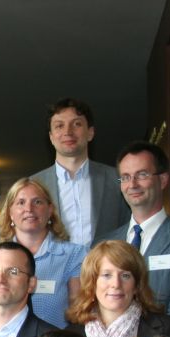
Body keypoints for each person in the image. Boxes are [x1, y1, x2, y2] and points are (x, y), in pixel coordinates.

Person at [93, 141, 170, 336]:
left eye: (142, 175)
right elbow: (91, 304)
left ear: (163, 180)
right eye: (125, 177)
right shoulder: (101, 245)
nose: (133, 185)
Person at [30, 98, 129, 247]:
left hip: (108, 261)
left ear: (90, 133)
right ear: (51, 137)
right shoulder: (33, 185)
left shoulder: (117, 178)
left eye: (76, 124)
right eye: (59, 126)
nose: (68, 132)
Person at [0, 178, 87, 328]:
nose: (29, 209)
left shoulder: (75, 255)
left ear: (50, 210)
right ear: (10, 212)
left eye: (37, 202)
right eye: (21, 202)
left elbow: (80, 313)